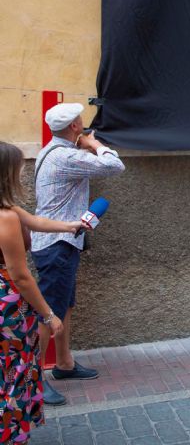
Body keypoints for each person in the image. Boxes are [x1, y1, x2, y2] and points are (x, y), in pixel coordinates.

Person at [31, 103, 125, 406]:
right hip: (56, 244)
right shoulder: (66, 156)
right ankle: (32, 380)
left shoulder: (51, 151)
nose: (84, 126)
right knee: (49, 313)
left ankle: (64, 363)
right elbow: (115, 166)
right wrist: (94, 143)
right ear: (74, 127)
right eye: (80, 123)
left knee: (63, 306)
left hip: (59, 242)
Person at [0, 141, 86, 444]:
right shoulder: (6, 217)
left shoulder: (11, 211)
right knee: (12, 373)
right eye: (18, 167)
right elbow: (21, 277)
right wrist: (48, 314)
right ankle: (9, 433)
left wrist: (69, 227)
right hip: (5, 309)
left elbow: (35, 221)